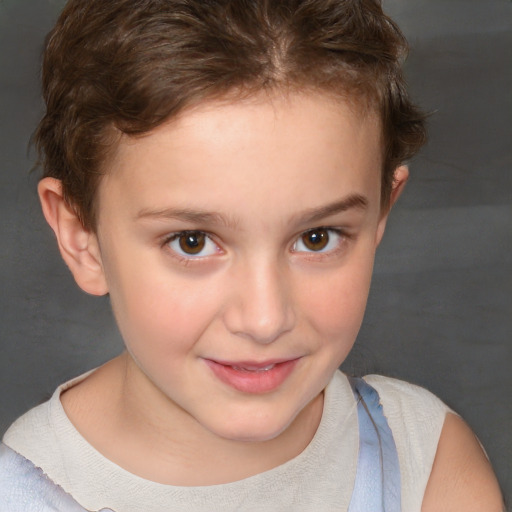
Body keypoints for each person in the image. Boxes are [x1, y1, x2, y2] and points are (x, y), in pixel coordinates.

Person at [0, 0, 504, 510]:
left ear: (379, 217)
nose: (264, 320)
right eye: (192, 242)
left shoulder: (427, 465)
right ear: (81, 236)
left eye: (317, 238)